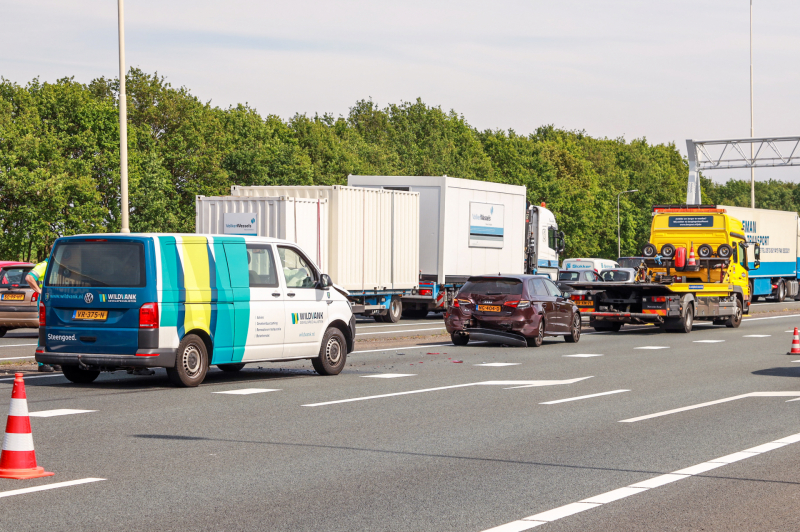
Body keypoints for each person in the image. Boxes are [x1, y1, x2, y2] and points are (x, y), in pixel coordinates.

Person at [26, 258, 59, 373]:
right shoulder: (45, 265)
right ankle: (42, 362)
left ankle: (52, 360)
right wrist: (40, 291)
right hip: (46, 300)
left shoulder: (57, 265)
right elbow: (29, 277)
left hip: (55, 300)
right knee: (45, 330)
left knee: (55, 331)